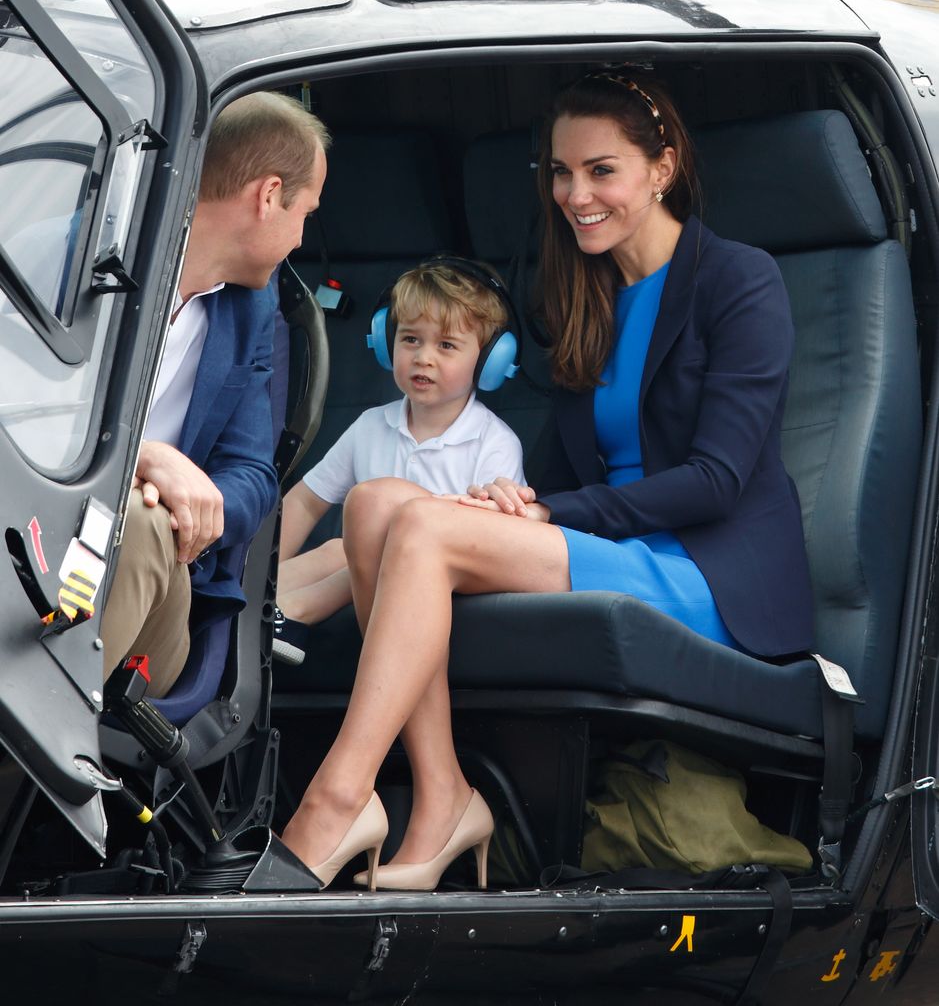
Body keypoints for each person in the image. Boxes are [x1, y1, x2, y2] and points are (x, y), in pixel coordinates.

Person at [279, 71, 813, 892]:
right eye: (559, 173)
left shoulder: (738, 280)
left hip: (704, 572)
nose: (574, 193)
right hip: (603, 543)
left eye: (601, 170)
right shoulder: (582, 294)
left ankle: (338, 797)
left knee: (418, 524)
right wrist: (516, 502)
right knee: (379, 500)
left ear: (660, 168)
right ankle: (442, 795)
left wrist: (544, 511)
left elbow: (714, 480)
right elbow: (560, 474)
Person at [99, 91, 330, 698]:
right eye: (305, 212)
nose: (301, 239)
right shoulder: (83, 260)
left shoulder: (252, 309)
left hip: (158, 577)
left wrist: (194, 504)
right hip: (33, 529)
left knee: (145, 523)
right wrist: (144, 458)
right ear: (269, 195)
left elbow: (253, 475)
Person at [273, 257, 525, 664]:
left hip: (444, 585)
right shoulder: (370, 426)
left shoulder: (494, 443)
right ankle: (252, 608)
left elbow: (494, 547)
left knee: (366, 546)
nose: (424, 357)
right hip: (370, 577)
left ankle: (294, 612)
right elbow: (304, 502)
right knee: (339, 548)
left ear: (490, 360)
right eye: (410, 339)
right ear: (385, 341)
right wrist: (254, 568)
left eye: (446, 345)